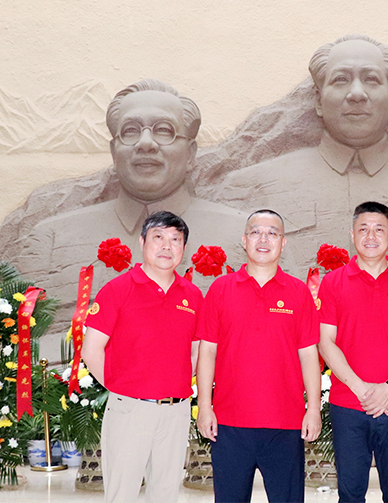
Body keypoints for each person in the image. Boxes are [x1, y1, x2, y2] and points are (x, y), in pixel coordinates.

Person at [211, 35, 388, 277]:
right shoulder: (250, 187)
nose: (357, 94)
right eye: (340, 80)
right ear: (318, 100)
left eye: (371, 79)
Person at [15, 79, 247, 354]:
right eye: (130, 131)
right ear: (114, 152)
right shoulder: (52, 240)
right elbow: (23, 345)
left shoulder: (245, 235)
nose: (145, 143)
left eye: (164, 130)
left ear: (190, 154)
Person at [196, 209, 321, 503]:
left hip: (285, 424)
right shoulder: (221, 289)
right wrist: (204, 406)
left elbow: (308, 355)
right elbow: (207, 351)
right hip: (229, 424)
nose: (263, 239)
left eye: (272, 233)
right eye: (256, 232)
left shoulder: (298, 292)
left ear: (283, 243)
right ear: (244, 240)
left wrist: (313, 409)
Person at [81, 210, 202, 503]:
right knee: (122, 493)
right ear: (142, 241)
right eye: (158, 237)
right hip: (130, 410)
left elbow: (197, 350)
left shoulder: (193, 295)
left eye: (175, 239)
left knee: (166, 493)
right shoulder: (117, 290)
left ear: (184, 248)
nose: (167, 246)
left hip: (176, 411)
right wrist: (123, 388)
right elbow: (91, 350)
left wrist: (176, 382)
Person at [317, 201, 388, 503]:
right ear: (352, 234)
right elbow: (326, 341)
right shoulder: (333, 282)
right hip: (349, 403)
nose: (371, 236)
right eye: (363, 229)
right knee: (350, 494)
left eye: (379, 229)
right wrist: (362, 389)